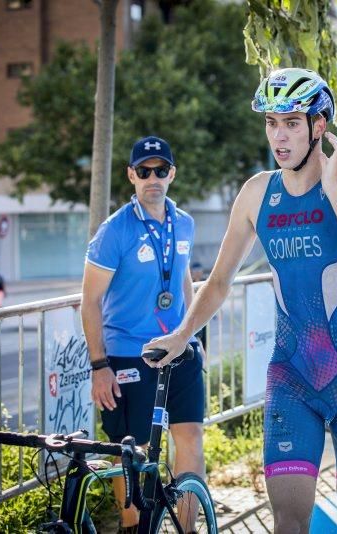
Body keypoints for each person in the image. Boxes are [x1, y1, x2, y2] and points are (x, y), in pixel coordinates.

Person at [143, 68, 337, 534]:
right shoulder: (258, 193)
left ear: (319, 127)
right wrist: (181, 335)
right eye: (271, 123)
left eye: (292, 123)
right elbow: (218, 282)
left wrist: (334, 191)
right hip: (291, 379)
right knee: (288, 523)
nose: (278, 136)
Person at [81, 136, 205, 533]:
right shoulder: (114, 230)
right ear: (131, 175)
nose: (154, 177)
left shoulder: (184, 222)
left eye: (161, 169)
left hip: (179, 350)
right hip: (128, 355)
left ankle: (186, 527)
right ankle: (133, 525)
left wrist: (192, 334)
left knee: (190, 436)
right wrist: (99, 366)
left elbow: (184, 278)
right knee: (128, 450)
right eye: (145, 171)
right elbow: (89, 302)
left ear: (173, 173)